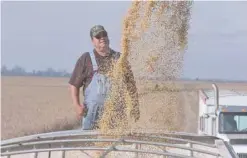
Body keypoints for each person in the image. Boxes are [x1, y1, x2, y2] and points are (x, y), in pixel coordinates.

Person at [69, 25, 140, 130]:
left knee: (116, 143)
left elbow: (131, 85)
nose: (102, 38)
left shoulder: (120, 59)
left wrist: (135, 105)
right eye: (98, 36)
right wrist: (77, 105)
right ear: (93, 41)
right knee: (92, 144)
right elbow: (74, 85)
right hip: (92, 114)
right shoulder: (86, 59)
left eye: (104, 35)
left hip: (116, 112)